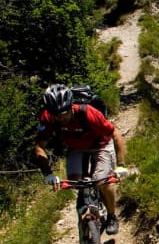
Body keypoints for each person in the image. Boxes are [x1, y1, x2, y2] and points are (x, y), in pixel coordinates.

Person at [34, 84, 127, 235]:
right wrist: (48, 174)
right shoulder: (49, 117)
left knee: (102, 180)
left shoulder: (87, 113)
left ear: (71, 105)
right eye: (55, 114)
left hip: (100, 144)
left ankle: (111, 216)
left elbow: (115, 133)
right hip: (75, 147)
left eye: (64, 113)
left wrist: (121, 165)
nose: (60, 118)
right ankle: (86, 200)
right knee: (75, 181)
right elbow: (39, 147)